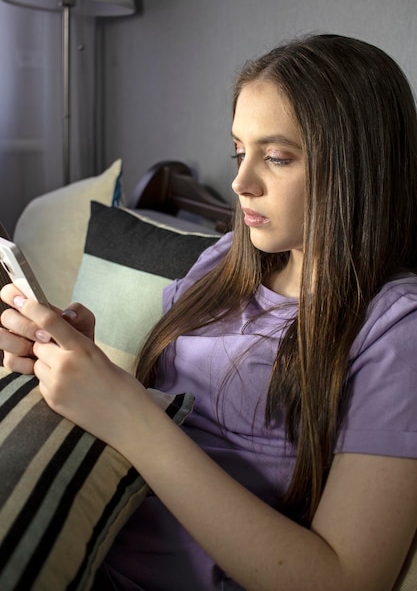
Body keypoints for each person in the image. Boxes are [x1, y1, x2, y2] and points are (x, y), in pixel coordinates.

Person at [1, 33, 417, 591]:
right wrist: (84, 373)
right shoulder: (224, 263)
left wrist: (128, 413)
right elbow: (179, 418)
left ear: (359, 166)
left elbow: (345, 578)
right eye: (239, 152)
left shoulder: (395, 330)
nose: (241, 184)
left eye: (276, 157)